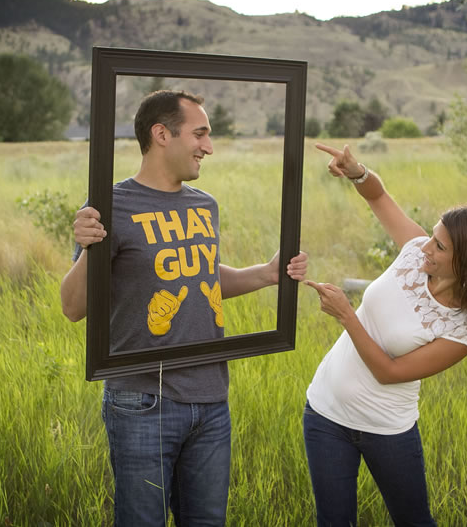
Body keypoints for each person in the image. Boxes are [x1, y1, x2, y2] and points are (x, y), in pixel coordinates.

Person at [60, 90, 308, 527]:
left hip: (211, 397)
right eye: (200, 134)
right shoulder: (112, 207)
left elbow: (202, 279)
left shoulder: (203, 205)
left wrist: (268, 274)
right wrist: (88, 246)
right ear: (161, 134)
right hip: (142, 399)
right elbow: (73, 306)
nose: (208, 147)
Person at [303, 143, 467, 527]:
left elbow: (391, 372)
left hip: (386, 430)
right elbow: (379, 196)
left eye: (439, 245)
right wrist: (356, 172)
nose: (425, 247)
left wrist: (348, 317)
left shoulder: (463, 330)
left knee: (414, 521)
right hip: (325, 412)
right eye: (432, 235)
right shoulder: (416, 253)